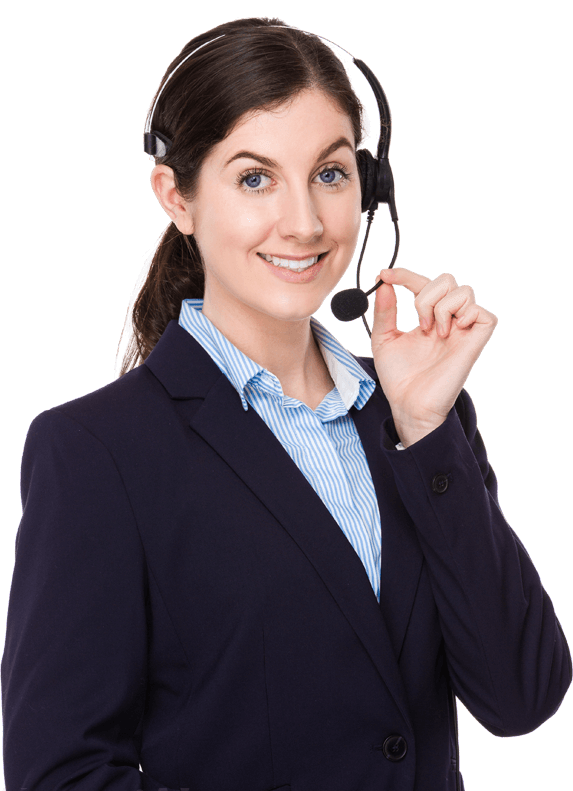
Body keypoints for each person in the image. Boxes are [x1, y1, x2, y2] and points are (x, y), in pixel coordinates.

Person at [2, 16, 570, 791]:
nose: (304, 223)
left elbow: (520, 695)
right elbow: (60, 775)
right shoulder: (96, 450)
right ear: (177, 197)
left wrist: (424, 429)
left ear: (369, 186)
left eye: (329, 174)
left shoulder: (419, 419)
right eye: (254, 178)